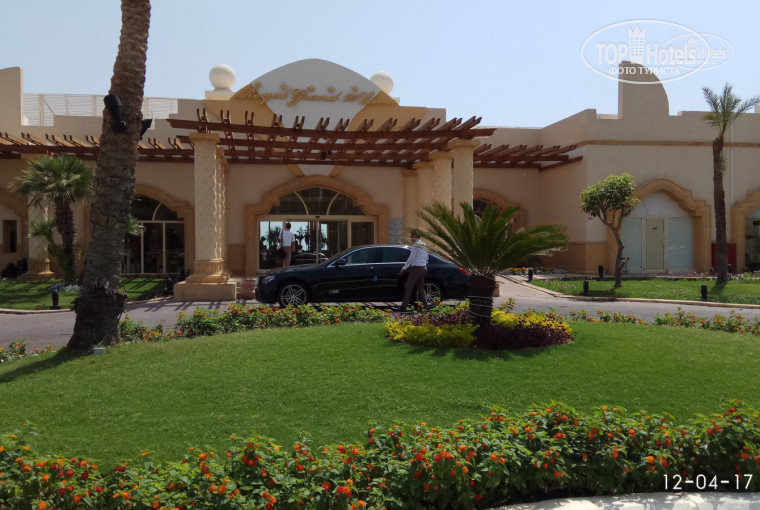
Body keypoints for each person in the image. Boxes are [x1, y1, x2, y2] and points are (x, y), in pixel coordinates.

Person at [398, 229, 429, 310]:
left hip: (417, 268)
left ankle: (403, 307)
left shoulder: (416, 245)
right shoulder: (424, 244)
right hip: (423, 268)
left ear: (415, 236)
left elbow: (411, 258)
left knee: (408, 286)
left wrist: (404, 268)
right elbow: (427, 257)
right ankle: (426, 306)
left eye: (411, 236)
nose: (410, 238)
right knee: (420, 288)